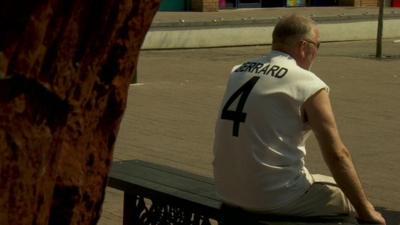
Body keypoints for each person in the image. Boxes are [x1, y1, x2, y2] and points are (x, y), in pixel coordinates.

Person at [212, 14, 386, 225]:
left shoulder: (238, 71)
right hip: (273, 197)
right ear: (304, 46)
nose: (316, 54)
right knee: (349, 199)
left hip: (227, 190)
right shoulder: (308, 84)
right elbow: (337, 154)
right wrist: (366, 210)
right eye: (318, 46)